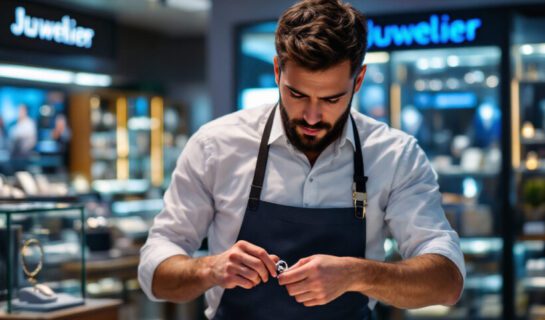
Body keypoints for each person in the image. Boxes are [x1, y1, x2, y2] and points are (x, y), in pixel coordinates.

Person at [138, 1, 465, 319]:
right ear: (278, 71)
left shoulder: (395, 156)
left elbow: (447, 282)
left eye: (331, 98)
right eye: (297, 94)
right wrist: (210, 268)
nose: (311, 116)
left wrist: (356, 274)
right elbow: (155, 271)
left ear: (359, 81)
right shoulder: (216, 146)